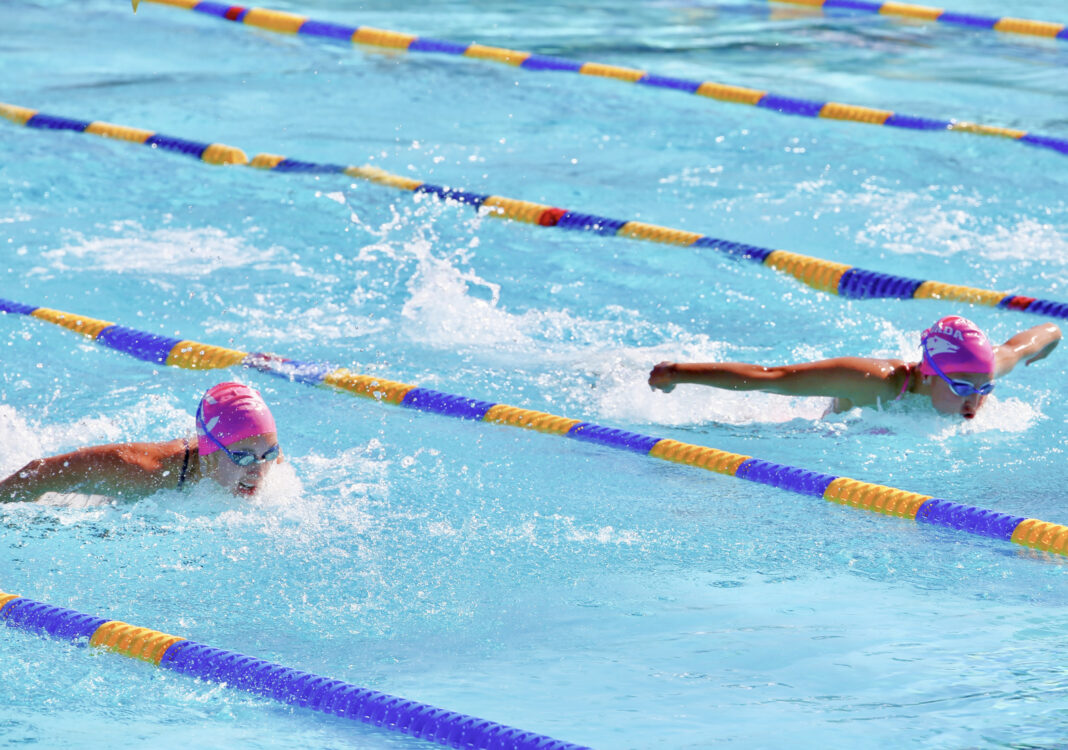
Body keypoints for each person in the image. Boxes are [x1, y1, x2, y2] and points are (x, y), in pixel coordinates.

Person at [648, 316, 1061, 419]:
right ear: (929, 372)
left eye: (985, 389)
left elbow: (1023, 345)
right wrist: (678, 373)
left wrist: (1051, 339)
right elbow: (768, 378)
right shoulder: (874, 383)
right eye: (962, 389)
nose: (975, 400)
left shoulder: (979, 372)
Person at [0, 382, 281, 503]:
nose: (258, 470)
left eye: (268, 454)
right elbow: (38, 470)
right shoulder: (142, 468)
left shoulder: (265, 455)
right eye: (242, 458)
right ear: (208, 454)